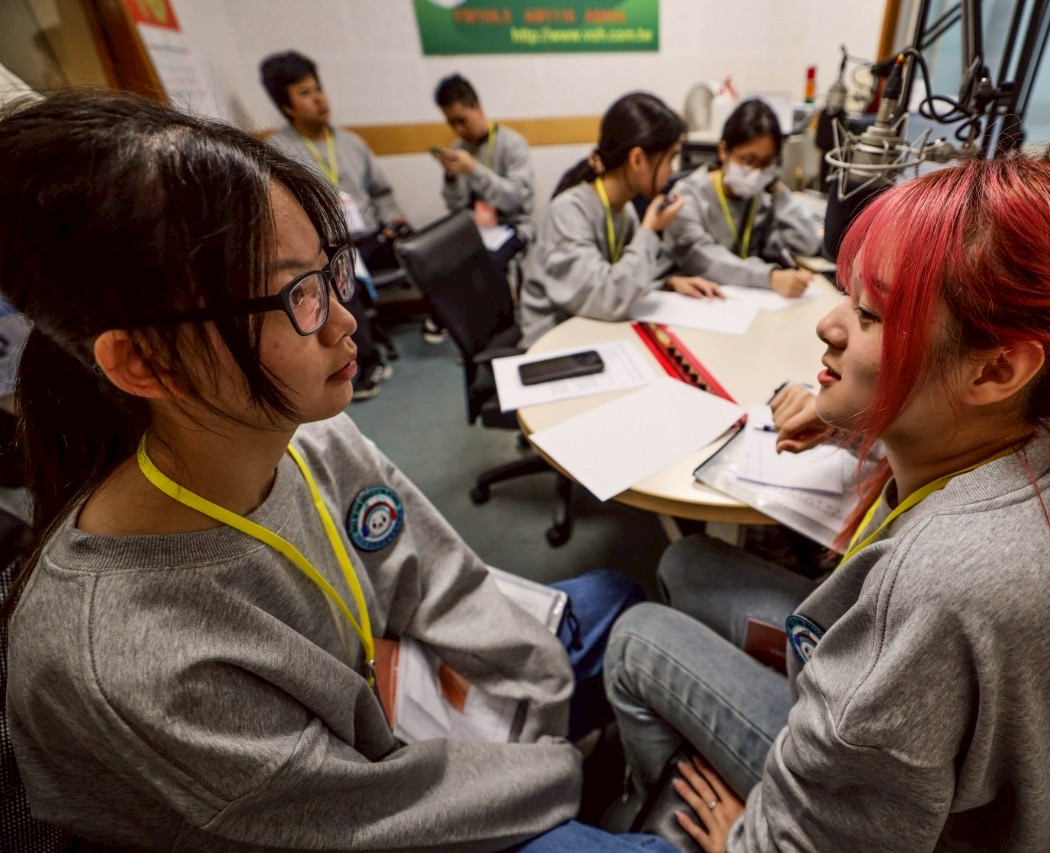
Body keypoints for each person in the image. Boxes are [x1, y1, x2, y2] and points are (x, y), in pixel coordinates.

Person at [0, 90, 676, 853]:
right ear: (147, 361)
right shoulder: (135, 665)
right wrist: (557, 771)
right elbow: (372, 812)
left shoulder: (304, 432)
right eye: (298, 295)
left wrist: (537, 688)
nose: (346, 321)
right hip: (361, 809)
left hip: (395, 702)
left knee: (617, 601)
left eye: (328, 273)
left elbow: (431, 573)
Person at [604, 155, 1050, 851]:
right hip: (925, 746)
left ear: (997, 368)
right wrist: (857, 424)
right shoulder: (1030, 449)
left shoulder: (941, 586)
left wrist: (743, 838)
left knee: (635, 637)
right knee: (689, 563)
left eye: (869, 313)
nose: (829, 325)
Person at [519, 92, 722, 348]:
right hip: (551, 343)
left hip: (594, 331)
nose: (672, 171)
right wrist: (649, 230)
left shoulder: (624, 210)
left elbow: (622, 277)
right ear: (637, 160)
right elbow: (608, 298)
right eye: (670, 158)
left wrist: (666, 283)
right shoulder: (568, 212)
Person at [260, 50, 402, 400]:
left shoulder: (351, 143)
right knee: (337, 273)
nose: (319, 99)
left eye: (318, 89)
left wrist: (392, 219)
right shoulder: (277, 152)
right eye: (305, 93)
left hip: (370, 237)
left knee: (428, 246)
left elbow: (382, 192)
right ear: (287, 106)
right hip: (327, 246)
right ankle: (366, 360)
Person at [664, 99, 820, 297]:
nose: (756, 172)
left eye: (766, 162)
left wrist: (778, 190)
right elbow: (702, 258)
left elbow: (807, 243)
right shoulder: (687, 196)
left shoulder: (761, 198)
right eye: (748, 160)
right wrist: (769, 277)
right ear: (723, 151)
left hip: (744, 299)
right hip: (695, 300)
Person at [433, 73, 535, 276]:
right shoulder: (458, 148)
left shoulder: (513, 144)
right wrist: (451, 178)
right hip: (475, 228)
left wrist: (474, 170)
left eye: (462, 120)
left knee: (487, 265)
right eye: (451, 123)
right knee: (438, 260)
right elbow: (455, 208)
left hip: (512, 226)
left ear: (477, 107)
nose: (458, 129)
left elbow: (515, 200)